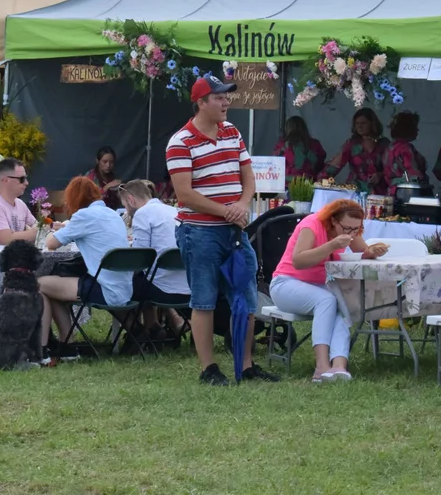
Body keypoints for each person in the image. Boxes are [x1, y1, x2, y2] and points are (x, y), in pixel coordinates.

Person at [167, 73, 276, 386]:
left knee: (246, 297)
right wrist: (227, 212)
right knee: (204, 300)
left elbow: (248, 178)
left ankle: (247, 365)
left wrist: (242, 204)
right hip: (199, 231)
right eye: (219, 97)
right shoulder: (181, 141)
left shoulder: (232, 132)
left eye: (227, 95)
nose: (227, 101)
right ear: (201, 103)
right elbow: (185, 195)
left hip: (234, 230)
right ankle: (208, 368)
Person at [269, 200, 389, 382]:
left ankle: (339, 366)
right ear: (333, 221)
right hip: (286, 284)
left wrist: (373, 251)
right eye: (347, 228)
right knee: (326, 300)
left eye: (356, 229)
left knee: (341, 303)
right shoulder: (312, 225)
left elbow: (362, 252)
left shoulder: (349, 229)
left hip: (318, 286)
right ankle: (321, 367)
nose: (351, 233)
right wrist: (332, 245)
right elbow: (298, 261)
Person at [39, 176, 133, 363]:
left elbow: (51, 243)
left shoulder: (83, 216)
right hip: (124, 288)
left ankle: (41, 350)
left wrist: (60, 229)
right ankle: (68, 348)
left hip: (104, 288)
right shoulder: (113, 214)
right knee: (54, 291)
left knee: (39, 284)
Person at [120, 179, 189, 338]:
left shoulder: (142, 214)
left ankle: (141, 329)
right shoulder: (174, 211)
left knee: (121, 283)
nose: (126, 210)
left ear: (131, 200)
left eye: (125, 205)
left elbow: (140, 258)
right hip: (187, 287)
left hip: (162, 290)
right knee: (148, 275)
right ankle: (158, 324)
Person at [320, 108, 389, 194]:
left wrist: (380, 174)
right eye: (357, 123)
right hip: (355, 191)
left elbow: (392, 169)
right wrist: (320, 181)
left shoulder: (383, 144)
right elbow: (336, 165)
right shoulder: (352, 144)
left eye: (363, 123)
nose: (359, 126)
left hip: (380, 192)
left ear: (372, 124)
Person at [383, 111, 429, 197]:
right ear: (408, 128)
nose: (418, 130)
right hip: (408, 192)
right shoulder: (405, 148)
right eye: (415, 127)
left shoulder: (389, 147)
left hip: (392, 192)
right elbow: (413, 170)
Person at [273, 116, 327, 183]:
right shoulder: (314, 144)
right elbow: (320, 165)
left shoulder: (282, 145)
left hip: (285, 183)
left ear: (287, 128)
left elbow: (273, 165)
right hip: (308, 183)